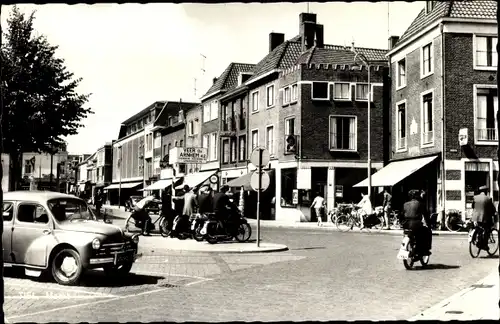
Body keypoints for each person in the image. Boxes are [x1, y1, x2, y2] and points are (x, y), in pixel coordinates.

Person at [402, 189, 432, 256]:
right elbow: (426, 215)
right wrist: (429, 225)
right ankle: (424, 250)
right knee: (426, 232)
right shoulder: (420, 204)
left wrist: (402, 223)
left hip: (406, 224)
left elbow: (401, 215)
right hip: (415, 223)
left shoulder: (405, 204)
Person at [471, 185, 497, 250]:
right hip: (484, 218)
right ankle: (484, 245)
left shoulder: (475, 197)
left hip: (475, 217)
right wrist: (494, 214)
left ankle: (478, 241)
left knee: (479, 229)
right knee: (487, 229)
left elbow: (473, 206)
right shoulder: (488, 199)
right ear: (486, 192)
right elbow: (492, 209)